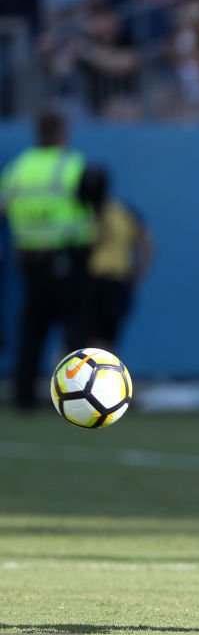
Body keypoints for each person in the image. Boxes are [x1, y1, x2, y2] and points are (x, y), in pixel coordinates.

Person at [0, 108, 97, 410]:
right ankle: (79, 395)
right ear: (63, 133)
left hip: (29, 259)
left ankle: (24, 396)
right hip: (68, 256)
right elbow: (94, 206)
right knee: (76, 329)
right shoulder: (73, 165)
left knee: (32, 328)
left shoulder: (18, 168)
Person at [85, 166, 154, 349]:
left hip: (102, 282)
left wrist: (138, 276)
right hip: (110, 282)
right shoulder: (122, 212)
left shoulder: (85, 213)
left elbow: (147, 243)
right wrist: (139, 275)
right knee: (103, 340)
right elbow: (147, 243)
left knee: (94, 339)